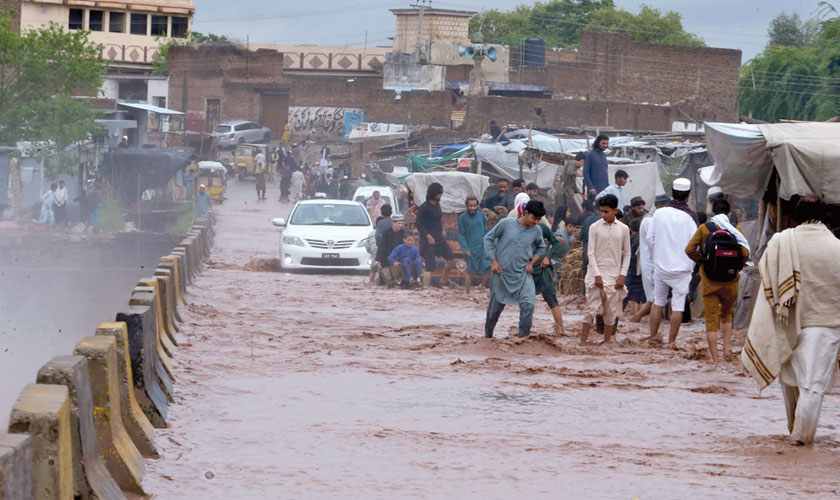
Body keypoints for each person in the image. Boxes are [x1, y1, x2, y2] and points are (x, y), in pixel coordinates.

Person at [741, 198, 840, 445]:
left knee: (790, 381)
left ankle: (794, 432)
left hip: (786, 321)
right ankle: (802, 439)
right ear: (827, 217)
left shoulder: (781, 242)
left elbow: (769, 282)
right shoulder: (837, 247)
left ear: (794, 217)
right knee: (812, 385)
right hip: (826, 326)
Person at [685, 198, 750, 364]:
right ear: (729, 214)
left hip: (709, 282)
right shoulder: (737, 229)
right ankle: (727, 349)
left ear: (712, 214)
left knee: (712, 320)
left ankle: (715, 360)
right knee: (727, 315)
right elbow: (745, 253)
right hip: (730, 281)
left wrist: (702, 261)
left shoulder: (704, 229)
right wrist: (737, 268)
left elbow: (689, 250)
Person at [483, 200, 547, 339]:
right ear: (525, 213)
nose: (536, 221)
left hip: (523, 274)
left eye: (539, 219)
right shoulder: (506, 223)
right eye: (534, 218)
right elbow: (488, 239)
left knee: (528, 305)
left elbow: (542, 248)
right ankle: (488, 338)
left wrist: (532, 263)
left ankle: (523, 340)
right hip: (501, 273)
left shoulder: (536, 230)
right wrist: (493, 261)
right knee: (494, 311)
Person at [646, 178, 698, 347]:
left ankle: (653, 338)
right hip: (682, 269)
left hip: (661, 267)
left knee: (658, 301)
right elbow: (694, 244)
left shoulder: (659, 213)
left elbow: (650, 238)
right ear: (688, 196)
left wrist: (657, 256)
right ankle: (671, 342)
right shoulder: (691, 217)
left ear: (672, 194)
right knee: (678, 305)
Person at [581, 194, 631, 345]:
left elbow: (627, 253)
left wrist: (622, 275)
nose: (603, 215)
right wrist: (596, 274)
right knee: (590, 309)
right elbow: (590, 252)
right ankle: (583, 343)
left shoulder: (624, 229)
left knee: (611, 312)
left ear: (615, 211)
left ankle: (607, 342)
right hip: (595, 273)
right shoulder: (594, 227)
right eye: (601, 211)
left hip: (614, 275)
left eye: (606, 211)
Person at [630, 194, 670, 323]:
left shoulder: (654, 219)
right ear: (660, 206)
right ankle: (638, 318)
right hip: (651, 264)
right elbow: (653, 241)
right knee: (654, 298)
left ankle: (640, 319)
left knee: (655, 298)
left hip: (655, 264)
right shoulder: (649, 221)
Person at [416, 183, 456, 287]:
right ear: (434, 194)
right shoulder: (424, 207)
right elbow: (418, 224)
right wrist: (428, 236)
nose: (441, 195)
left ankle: (444, 279)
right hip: (428, 241)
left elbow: (438, 219)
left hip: (439, 239)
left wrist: (442, 228)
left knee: (451, 259)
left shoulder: (438, 205)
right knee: (430, 267)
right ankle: (425, 290)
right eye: (440, 193)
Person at [535, 217, 567, 335]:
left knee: (551, 298)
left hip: (543, 269)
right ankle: (524, 331)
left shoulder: (541, 228)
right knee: (525, 300)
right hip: (525, 270)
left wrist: (548, 257)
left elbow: (556, 243)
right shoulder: (517, 229)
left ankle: (560, 329)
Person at [457, 195, 490, 294]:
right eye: (470, 206)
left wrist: (487, 244)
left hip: (482, 247)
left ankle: (481, 287)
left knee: (487, 267)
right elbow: (461, 235)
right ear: (467, 206)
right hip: (470, 249)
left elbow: (485, 230)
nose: (472, 208)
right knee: (469, 271)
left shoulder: (481, 215)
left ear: (477, 206)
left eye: (474, 206)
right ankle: (467, 293)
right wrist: (465, 249)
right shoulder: (462, 218)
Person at [624, 218, 646, 317]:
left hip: (632, 269)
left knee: (632, 293)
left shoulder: (631, 239)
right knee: (643, 293)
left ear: (630, 229)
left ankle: (635, 315)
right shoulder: (644, 238)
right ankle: (641, 315)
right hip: (644, 269)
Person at [578, 199, 601, 293]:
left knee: (586, 270)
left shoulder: (587, 220)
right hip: (601, 251)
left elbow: (581, 236)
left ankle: (585, 292)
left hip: (587, 251)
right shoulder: (604, 220)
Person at [583, 134, 609, 200]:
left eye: (606, 143)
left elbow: (605, 172)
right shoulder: (590, 155)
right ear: (597, 143)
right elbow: (585, 173)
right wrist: (590, 187)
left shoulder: (603, 155)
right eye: (603, 143)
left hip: (604, 190)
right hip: (594, 191)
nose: (605, 145)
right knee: (594, 209)